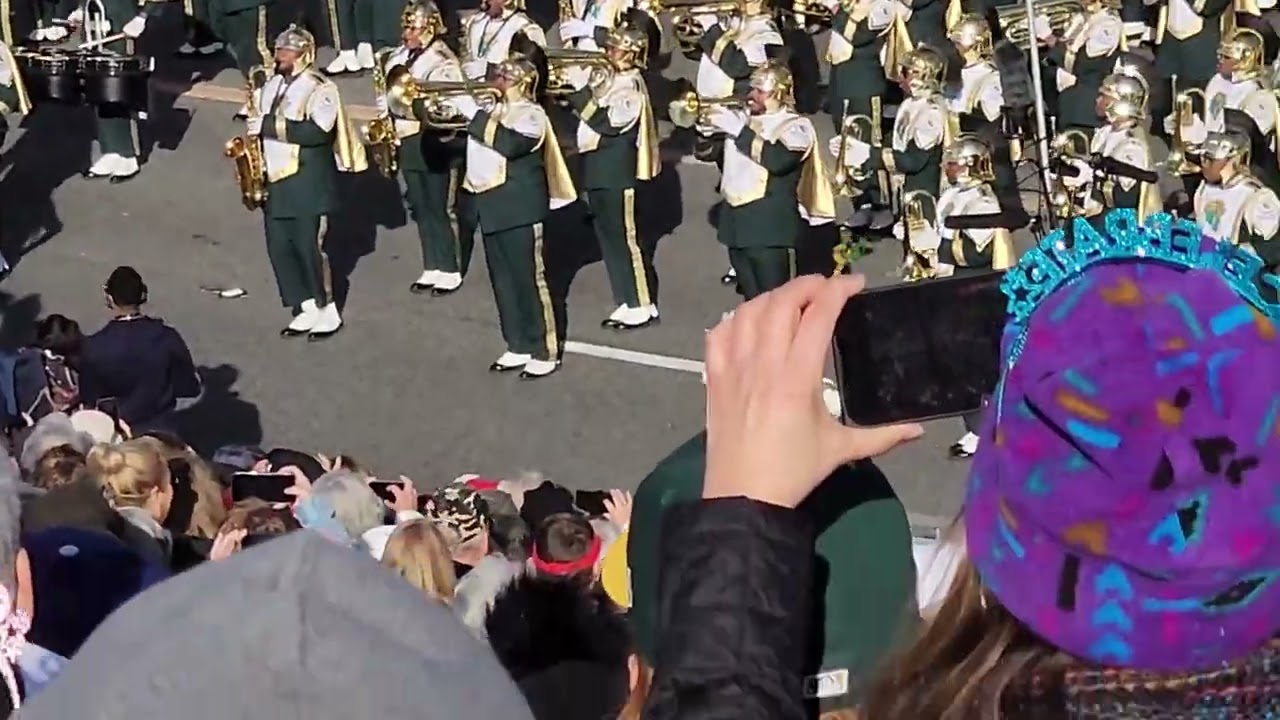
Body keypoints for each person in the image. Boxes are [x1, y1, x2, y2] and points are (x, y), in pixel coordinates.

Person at [449, 56, 576, 378]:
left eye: (505, 77)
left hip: (518, 208)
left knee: (529, 280)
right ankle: (517, 343)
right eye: (499, 75)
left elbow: (510, 144)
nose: (498, 81)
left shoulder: (532, 115)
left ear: (522, 82)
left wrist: (473, 114)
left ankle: (544, 349)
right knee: (502, 281)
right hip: (489, 204)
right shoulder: (492, 108)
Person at [247, 25, 367, 340]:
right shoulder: (271, 84)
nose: (279, 56)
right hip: (274, 178)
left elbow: (318, 131)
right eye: (278, 50)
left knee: (309, 247)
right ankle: (303, 304)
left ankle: (327, 307)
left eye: (286, 51)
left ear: (304, 55)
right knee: (279, 247)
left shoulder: (320, 88)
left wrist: (269, 125)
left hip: (306, 180)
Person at [702, 61, 834, 300]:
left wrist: (739, 131)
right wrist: (704, 133)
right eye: (752, 90)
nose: (752, 96)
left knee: (778, 300)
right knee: (752, 300)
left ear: (780, 94)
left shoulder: (796, 126)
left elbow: (779, 160)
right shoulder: (743, 119)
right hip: (736, 224)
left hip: (769, 226)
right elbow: (708, 154)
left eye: (760, 92)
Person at [562, 19, 662, 329]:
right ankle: (625, 298)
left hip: (616, 172)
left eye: (614, 48)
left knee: (624, 239)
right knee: (608, 238)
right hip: (597, 167)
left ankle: (641, 303)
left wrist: (579, 96)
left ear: (631, 54)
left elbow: (607, 123)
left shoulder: (632, 87)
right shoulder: (610, 76)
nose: (607, 51)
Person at [380, 3, 475, 296]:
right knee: (421, 205)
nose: (406, 34)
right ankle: (432, 263)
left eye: (413, 28)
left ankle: (450, 266)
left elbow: (452, 102)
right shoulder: (396, 57)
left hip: (435, 137)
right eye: (405, 27)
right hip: (406, 136)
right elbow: (386, 93)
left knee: (441, 206)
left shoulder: (442, 61)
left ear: (429, 28)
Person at [689, 0, 782, 286]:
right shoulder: (736, 25)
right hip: (719, 114)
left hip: (747, 120)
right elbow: (698, 53)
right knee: (732, 189)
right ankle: (741, 258)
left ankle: (757, 260)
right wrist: (696, 30)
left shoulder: (766, 34)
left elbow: (740, 65)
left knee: (752, 193)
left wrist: (712, 30)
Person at [79, 266, 202, 433]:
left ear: (110, 299)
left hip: (117, 431)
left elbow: (88, 398)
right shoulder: (167, 337)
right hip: (161, 429)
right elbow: (189, 387)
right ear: (143, 295)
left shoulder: (94, 347)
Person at [832, 46, 948, 214]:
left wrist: (867, 153)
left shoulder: (932, 112)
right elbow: (897, 143)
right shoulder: (911, 104)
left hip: (922, 195)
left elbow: (912, 161)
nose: (900, 77)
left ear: (922, 76)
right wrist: (852, 146)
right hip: (903, 190)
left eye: (906, 72)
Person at [1164, 28, 1278, 189]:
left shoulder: (1259, 95)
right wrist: (1185, 122)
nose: (1219, 59)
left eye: (1226, 57)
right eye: (1219, 54)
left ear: (1245, 59)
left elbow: (1246, 143)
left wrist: (1202, 141)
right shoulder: (1218, 80)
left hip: (1242, 167)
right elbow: (1211, 117)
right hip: (1211, 150)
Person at [821, 0, 894, 231]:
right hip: (842, 81)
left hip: (865, 83)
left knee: (869, 141)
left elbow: (859, 35)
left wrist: (835, 9)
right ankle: (861, 203)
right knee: (846, 145)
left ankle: (882, 204)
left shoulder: (882, 6)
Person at [71, 0, 161, 182]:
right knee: (98, 84)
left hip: (125, 22)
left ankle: (128, 155)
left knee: (121, 86)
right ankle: (111, 149)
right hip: (95, 19)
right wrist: (81, 8)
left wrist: (143, 16)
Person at [1057, 69, 1160, 222]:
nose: (1097, 100)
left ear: (1119, 104)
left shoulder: (1132, 145)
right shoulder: (1105, 132)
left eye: (1104, 97)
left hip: (1115, 227)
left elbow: (1125, 199)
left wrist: (1091, 178)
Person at [947, 13, 1018, 211]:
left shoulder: (989, 76)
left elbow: (993, 114)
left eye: (959, 43)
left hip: (979, 150)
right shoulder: (952, 71)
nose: (955, 48)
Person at [1193, 129, 1280, 275]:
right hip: (1203, 268)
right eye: (1202, 158)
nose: (1204, 164)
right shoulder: (1203, 188)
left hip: (1239, 278)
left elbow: (1272, 247)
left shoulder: (1256, 196)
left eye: (1209, 159)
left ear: (1231, 161)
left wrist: (1242, 256)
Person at [1034, 0, 1123, 134]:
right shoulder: (1081, 15)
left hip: (1082, 98)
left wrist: (1048, 37)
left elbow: (1082, 63)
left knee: (1070, 140)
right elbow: (1066, 42)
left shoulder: (1109, 25)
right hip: (1057, 87)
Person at [206, 0, 274, 117]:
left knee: (258, 51)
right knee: (240, 48)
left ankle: (265, 100)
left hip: (248, 5)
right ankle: (259, 95)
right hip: (222, 5)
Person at [460, 0, 547, 82]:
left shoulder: (525, 28)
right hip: (472, 89)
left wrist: (490, 70)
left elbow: (532, 71)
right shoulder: (475, 23)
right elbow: (466, 56)